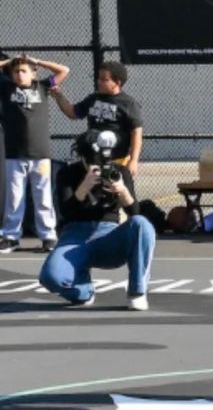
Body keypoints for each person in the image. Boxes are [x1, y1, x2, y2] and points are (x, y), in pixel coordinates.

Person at [38, 128, 153, 310]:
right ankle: (83, 291)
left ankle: (137, 292)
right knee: (50, 277)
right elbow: (65, 213)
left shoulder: (119, 172)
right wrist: (84, 187)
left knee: (142, 224)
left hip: (109, 235)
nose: (97, 167)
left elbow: (135, 212)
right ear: (81, 157)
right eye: (92, 162)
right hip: (75, 236)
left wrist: (123, 191)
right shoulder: (67, 173)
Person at [2, 52, 70, 254]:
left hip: (40, 154)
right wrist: (10, 61)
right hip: (15, 153)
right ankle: (10, 237)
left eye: (23, 71)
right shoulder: (6, 89)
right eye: (15, 72)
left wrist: (36, 61)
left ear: (33, 73)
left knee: (43, 197)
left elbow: (64, 70)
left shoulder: (42, 87)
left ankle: (48, 236)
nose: (19, 75)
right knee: (14, 198)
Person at [57, 60, 143, 173]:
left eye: (104, 79)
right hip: (94, 158)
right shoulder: (94, 98)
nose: (99, 82)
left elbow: (136, 133)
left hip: (117, 159)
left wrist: (133, 160)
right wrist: (58, 95)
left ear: (117, 82)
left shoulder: (128, 103)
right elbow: (72, 113)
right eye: (99, 78)